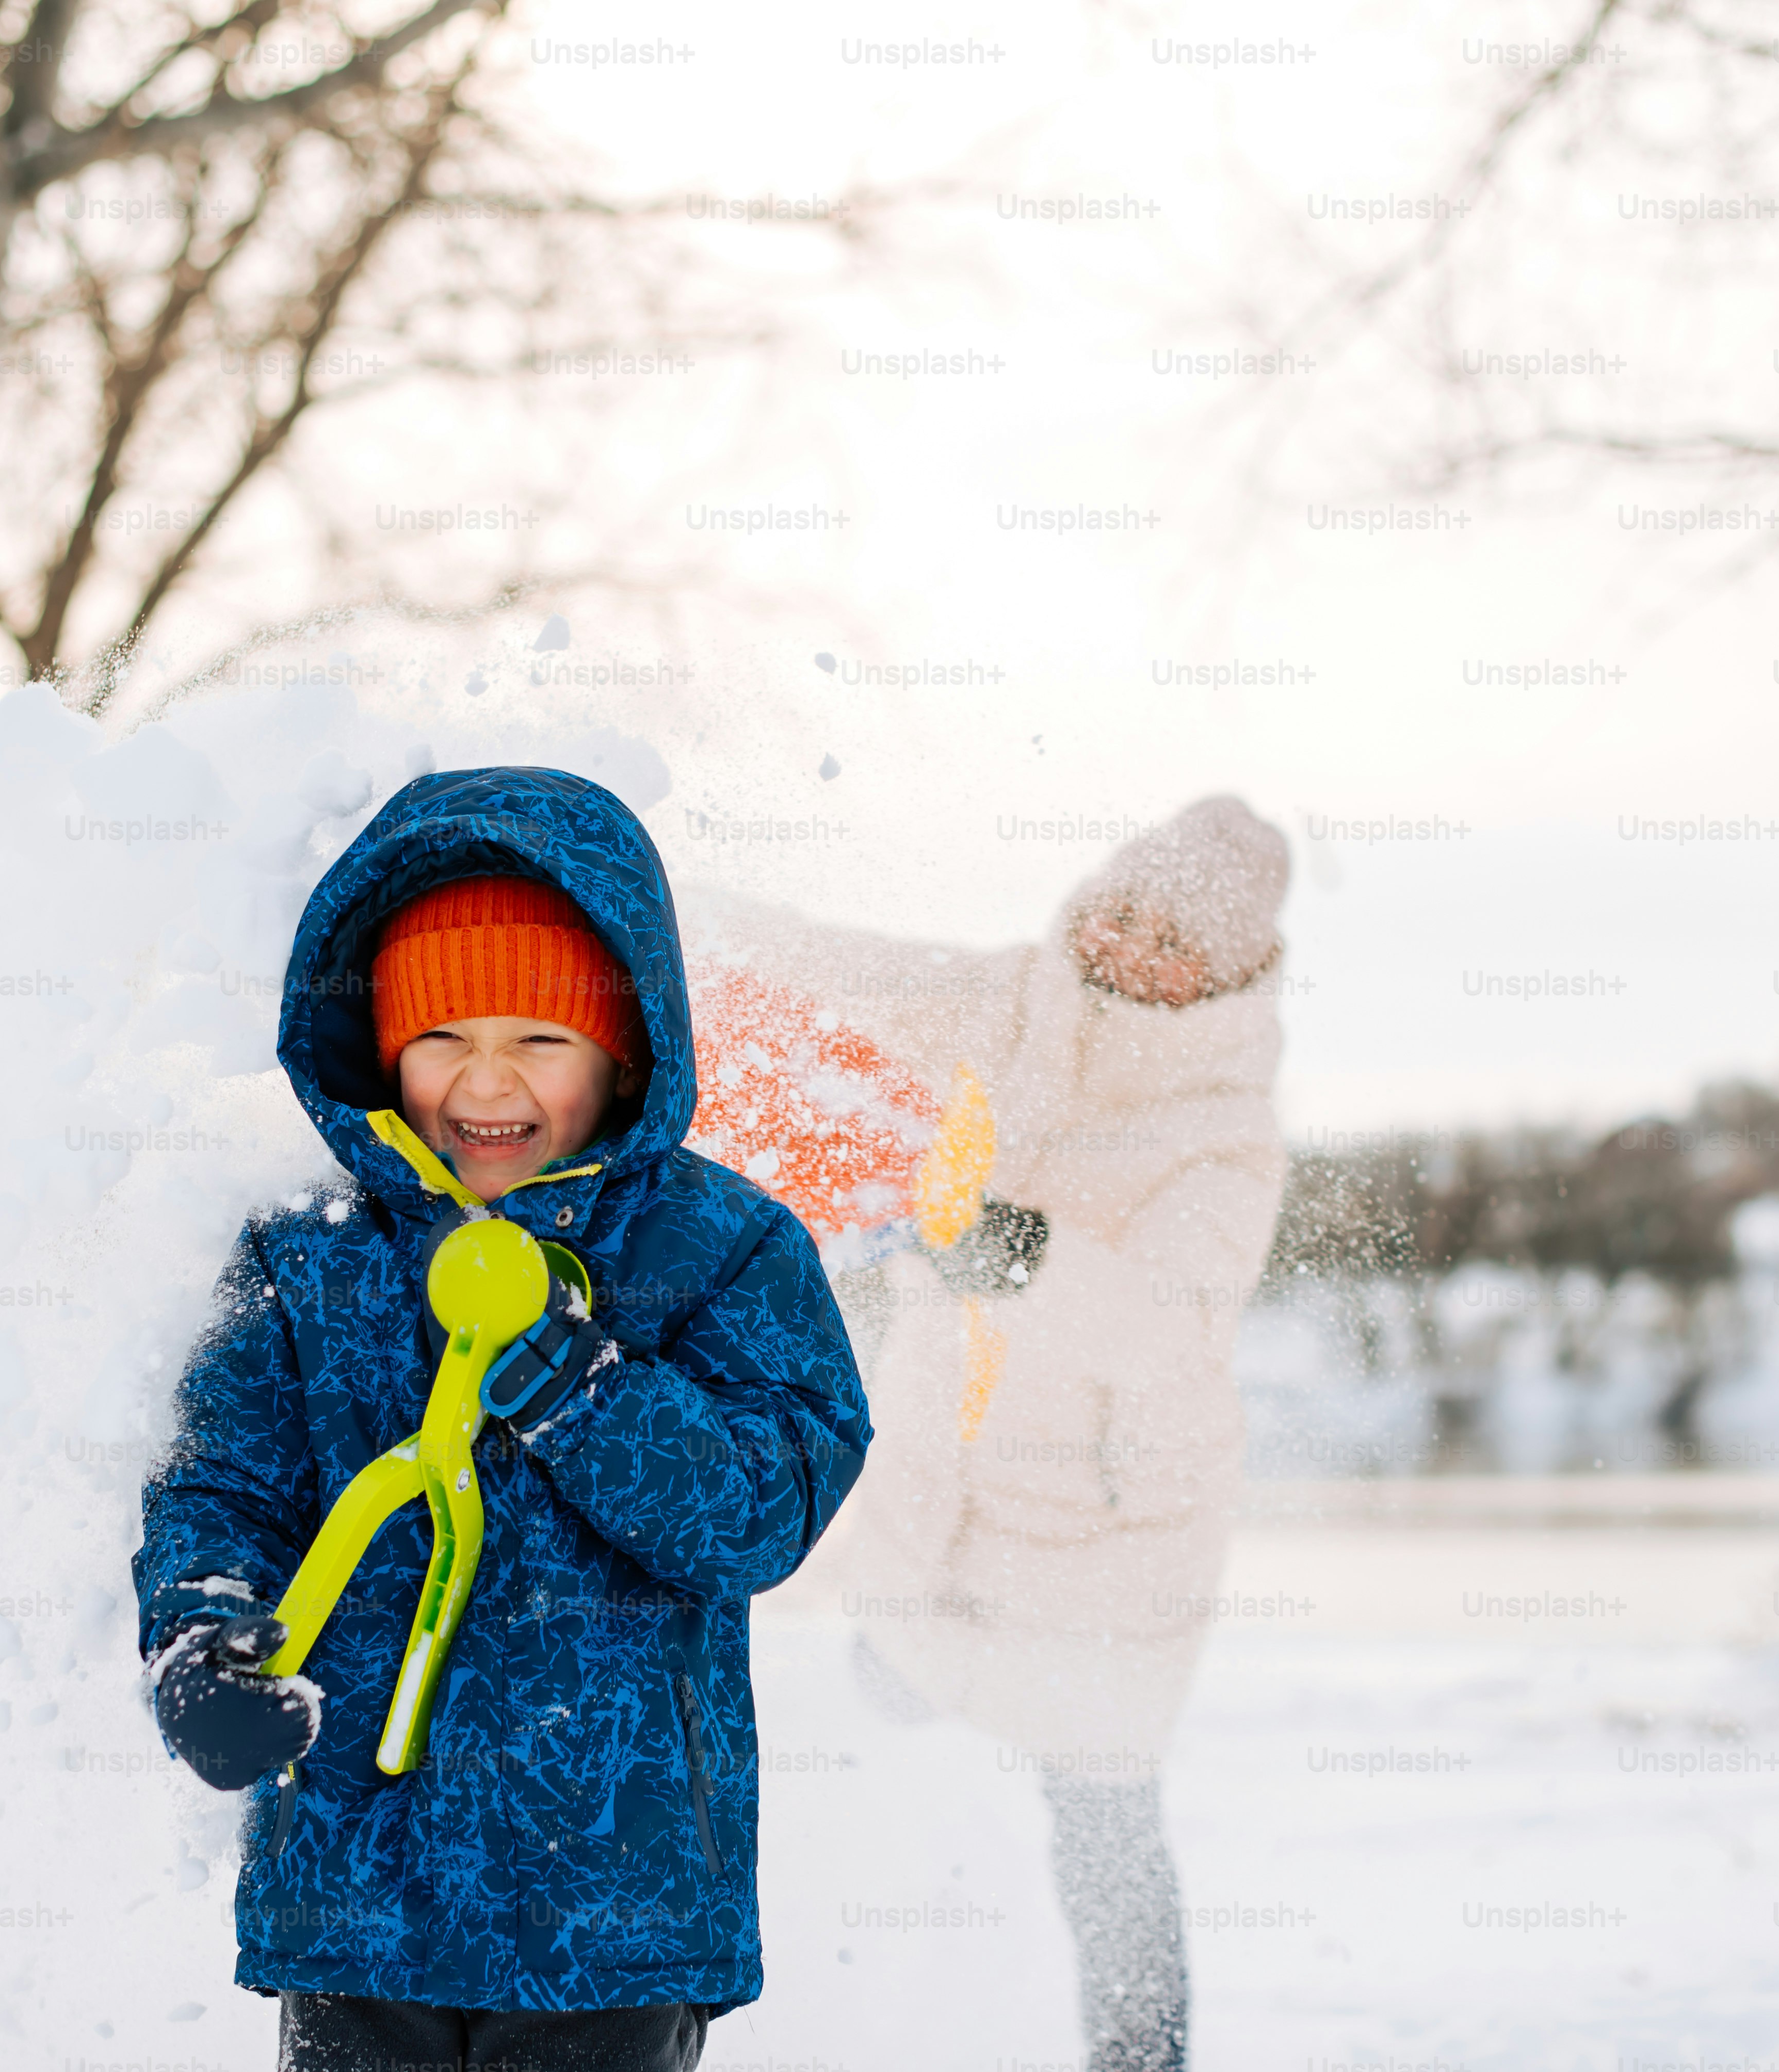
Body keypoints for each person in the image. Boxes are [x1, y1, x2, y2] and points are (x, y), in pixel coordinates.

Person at [136, 767, 872, 2070]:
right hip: (359, 1886)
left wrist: (558, 1374)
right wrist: (199, 1642)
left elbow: (755, 1508)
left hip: (609, 1910)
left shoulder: (720, 1250)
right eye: (441, 1038)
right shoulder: (308, 1257)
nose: (486, 1082)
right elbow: (219, 1485)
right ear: (376, 1048)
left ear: (622, 1047)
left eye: (539, 1039)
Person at [694, 797, 1291, 2072]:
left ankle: (1140, 2058)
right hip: (943, 1486)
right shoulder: (1009, 1003)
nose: (1125, 947)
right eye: (1118, 910)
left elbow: (1164, 1324)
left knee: (1103, 1822)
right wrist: (673, 909)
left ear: (1231, 969)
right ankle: (866, 1994)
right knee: (876, 1694)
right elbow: (843, 969)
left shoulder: (1227, 1137)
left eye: (1170, 938)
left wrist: (1020, 1250)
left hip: (1119, 1533)